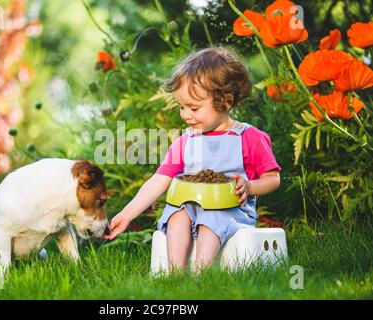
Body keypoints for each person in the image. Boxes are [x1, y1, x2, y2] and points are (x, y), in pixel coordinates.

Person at [103, 47, 281, 272]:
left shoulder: (249, 137)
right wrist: (127, 215)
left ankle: (201, 275)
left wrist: (249, 186)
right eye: (181, 107)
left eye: (194, 108)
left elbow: (273, 179)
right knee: (176, 214)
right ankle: (175, 274)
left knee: (211, 219)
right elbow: (159, 180)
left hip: (231, 210)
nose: (186, 115)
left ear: (225, 102)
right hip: (191, 206)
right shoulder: (185, 141)